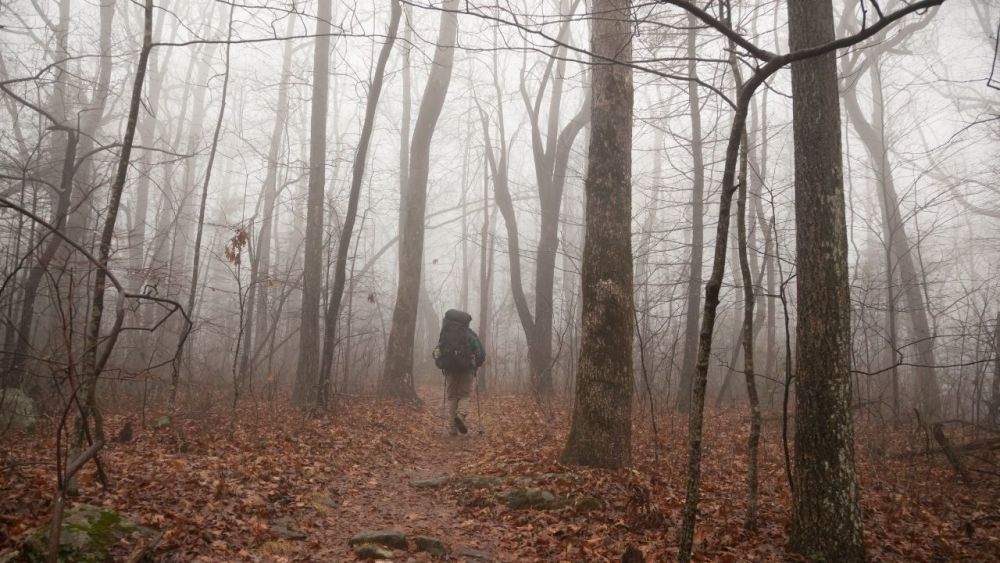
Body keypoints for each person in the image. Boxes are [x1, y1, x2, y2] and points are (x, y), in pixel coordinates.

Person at [432, 309, 485, 435]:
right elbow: (480, 353)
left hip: (450, 370)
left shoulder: (445, 334)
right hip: (467, 369)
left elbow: (436, 352)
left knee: (452, 397)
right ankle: (460, 416)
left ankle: (452, 428)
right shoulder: (469, 334)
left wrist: (442, 361)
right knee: (464, 395)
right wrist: (477, 363)